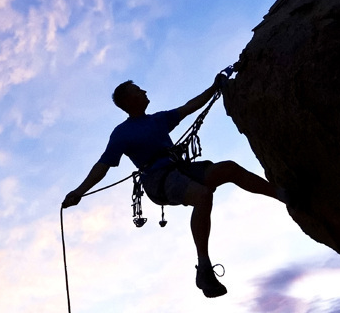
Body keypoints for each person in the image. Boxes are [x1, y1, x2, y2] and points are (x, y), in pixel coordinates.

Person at [62, 73, 285, 298]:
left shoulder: (157, 120)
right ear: (128, 101)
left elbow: (189, 107)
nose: (145, 92)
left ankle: (283, 195)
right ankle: (204, 267)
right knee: (202, 195)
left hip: (178, 169)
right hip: (158, 180)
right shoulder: (122, 133)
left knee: (228, 168)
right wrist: (80, 191)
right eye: (138, 90)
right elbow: (103, 165)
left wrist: (214, 86)